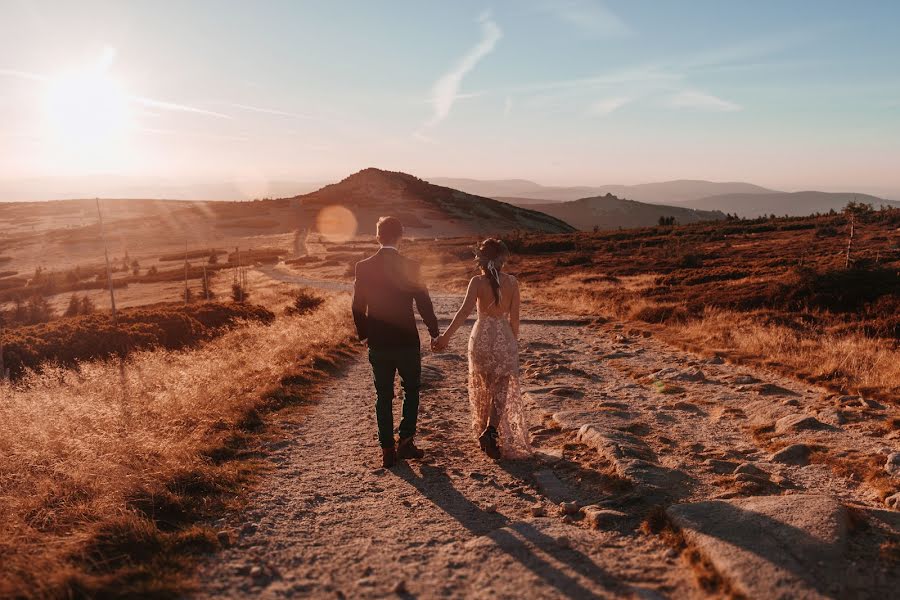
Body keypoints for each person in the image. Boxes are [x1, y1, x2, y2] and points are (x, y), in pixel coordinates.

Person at [352, 216, 439, 468]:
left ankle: (387, 449)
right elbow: (424, 303)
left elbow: (358, 305)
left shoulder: (364, 266)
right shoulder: (412, 265)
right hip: (407, 339)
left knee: (383, 395)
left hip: (378, 340)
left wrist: (364, 334)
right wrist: (434, 332)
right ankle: (406, 442)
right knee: (411, 390)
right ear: (400, 236)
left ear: (378, 236)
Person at [432, 239, 531, 459]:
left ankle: (487, 432)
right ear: (502, 259)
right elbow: (515, 320)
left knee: (486, 386)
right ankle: (491, 431)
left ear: (481, 260)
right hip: (503, 338)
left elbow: (463, 312)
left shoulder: (476, 282)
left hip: (481, 339)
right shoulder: (512, 283)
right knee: (501, 387)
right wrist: (512, 343)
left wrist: (445, 338)